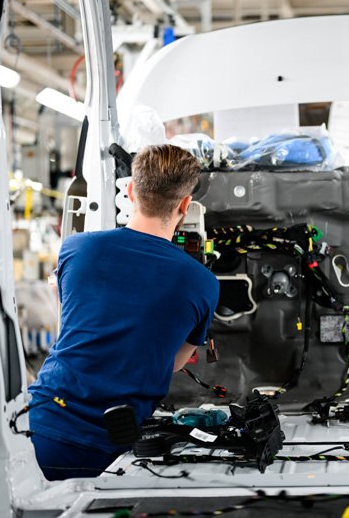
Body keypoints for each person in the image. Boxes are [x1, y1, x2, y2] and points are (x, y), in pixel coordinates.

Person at [28, 144, 219, 480]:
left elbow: (72, 318)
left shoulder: (75, 248)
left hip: (43, 424)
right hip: (112, 444)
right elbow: (173, 362)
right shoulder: (203, 283)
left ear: (130, 191)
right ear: (186, 206)